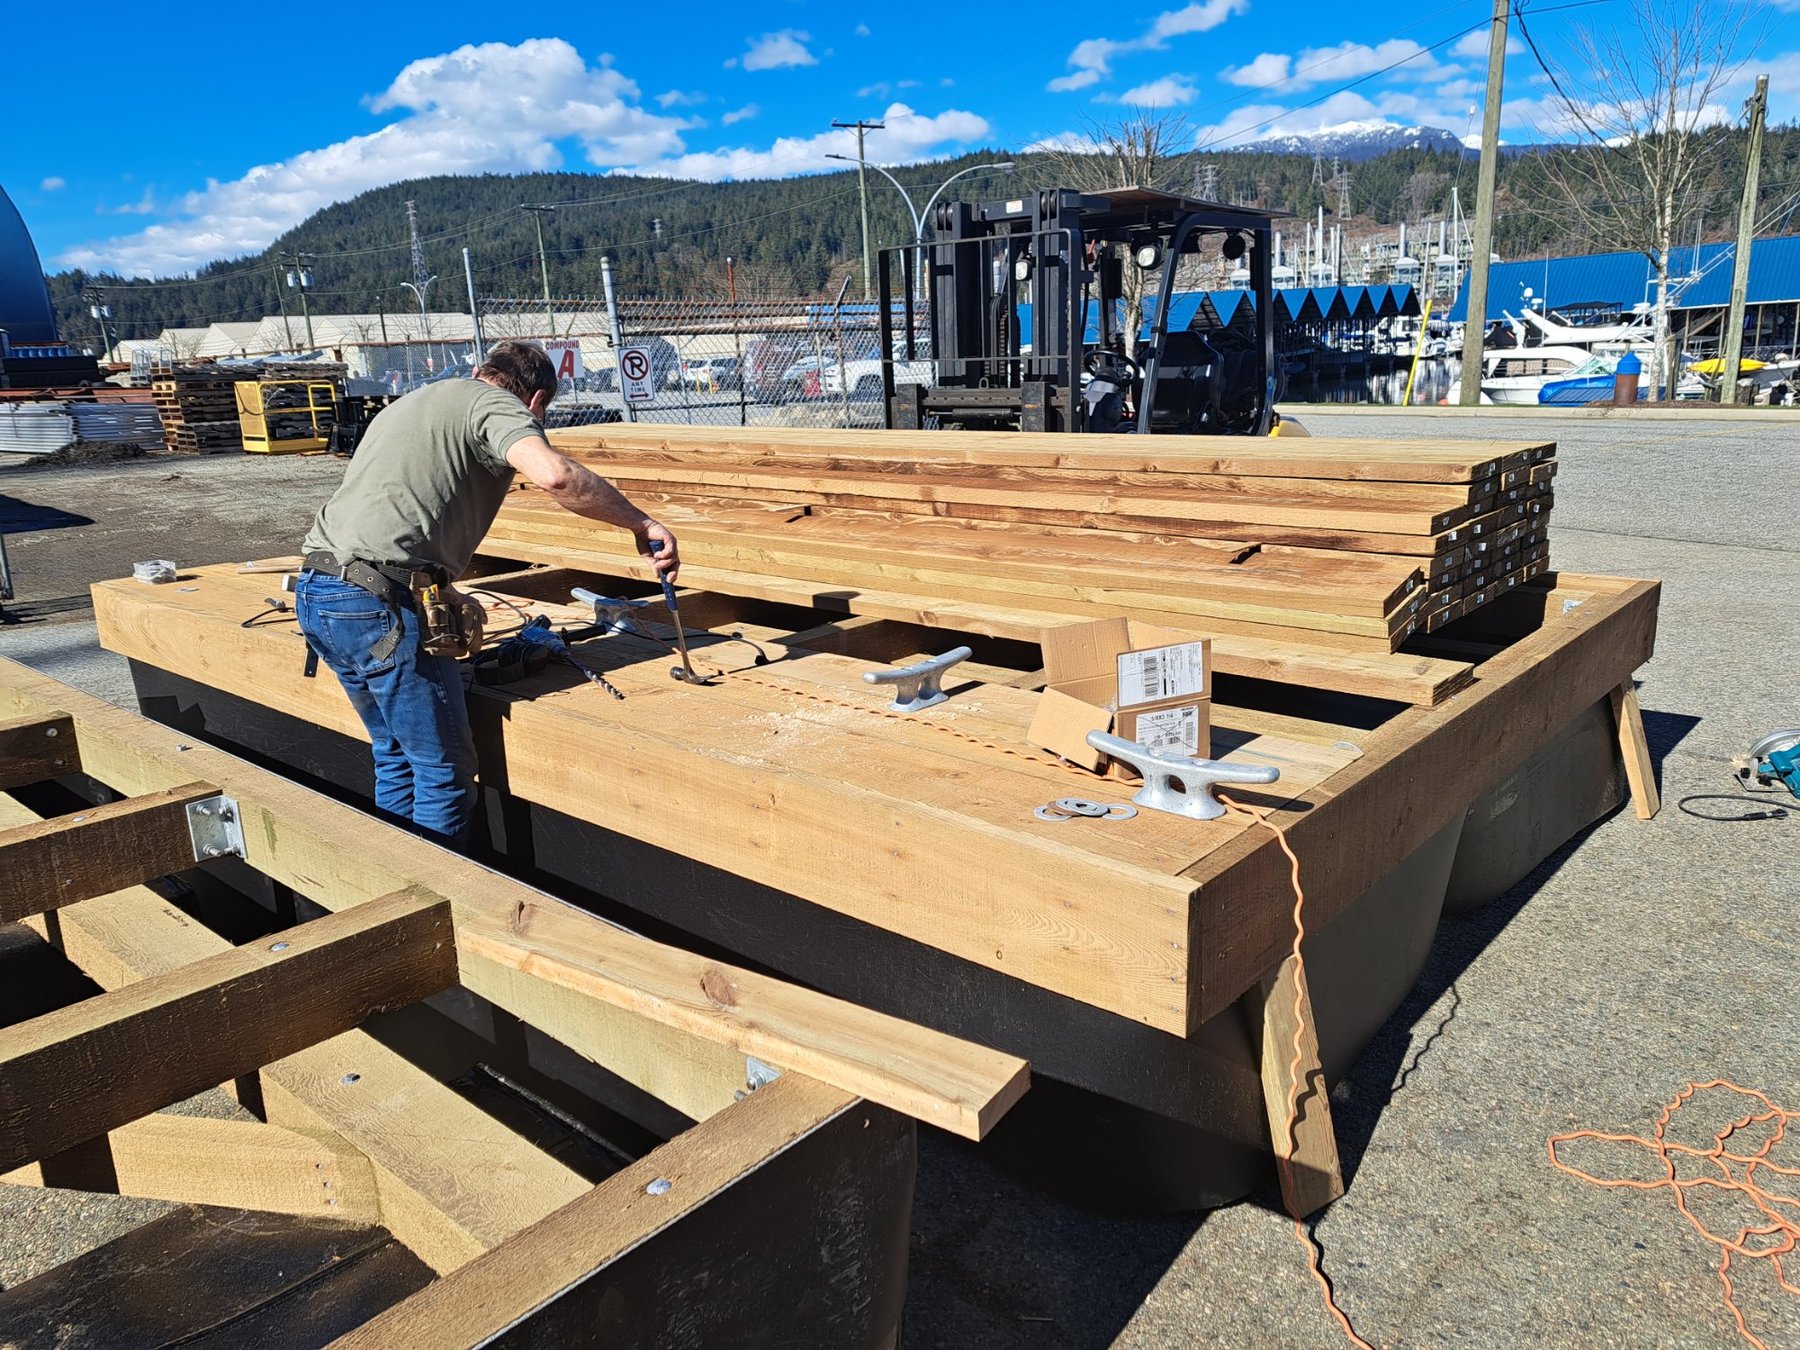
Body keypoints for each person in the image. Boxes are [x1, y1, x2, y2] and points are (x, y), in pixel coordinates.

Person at [295, 340, 678, 847]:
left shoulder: (414, 401)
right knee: (443, 773)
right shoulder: (496, 404)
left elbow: (399, 505)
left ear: (481, 370)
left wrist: (440, 588)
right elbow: (555, 475)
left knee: (395, 755)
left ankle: (401, 877)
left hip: (320, 590)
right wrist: (640, 521)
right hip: (375, 606)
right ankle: (441, 901)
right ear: (537, 400)